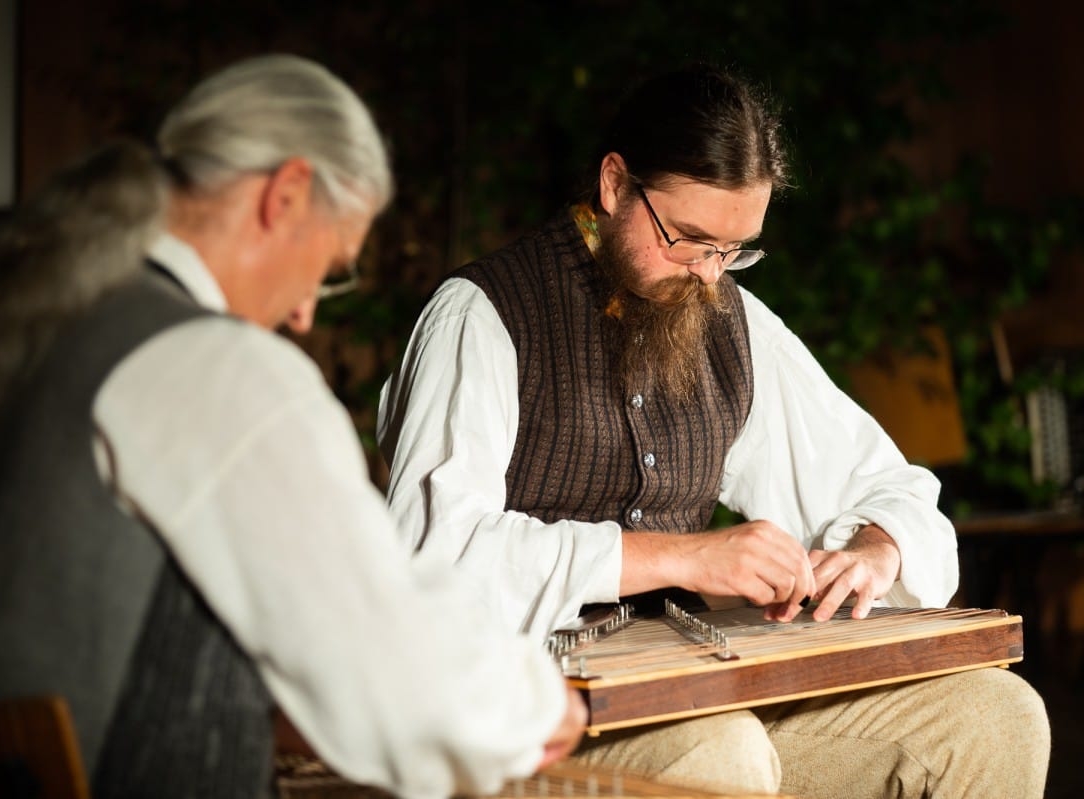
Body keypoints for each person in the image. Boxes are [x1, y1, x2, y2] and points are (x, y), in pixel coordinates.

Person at [0, 54, 586, 798]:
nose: (307, 312)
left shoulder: (18, 321)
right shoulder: (207, 366)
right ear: (284, 195)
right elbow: (386, 664)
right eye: (331, 266)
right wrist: (537, 704)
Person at [377, 62, 1050, 798]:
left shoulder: (733, 319)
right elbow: (431, 559)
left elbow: (893, 490)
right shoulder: (481, 316)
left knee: (996, 717)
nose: (709, 274)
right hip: (521, 708)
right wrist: (685, 558)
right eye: (690, 239)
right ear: (613, 185)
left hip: (694, 688)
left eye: (734, 250)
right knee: (719, 755)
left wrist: (875, 549)